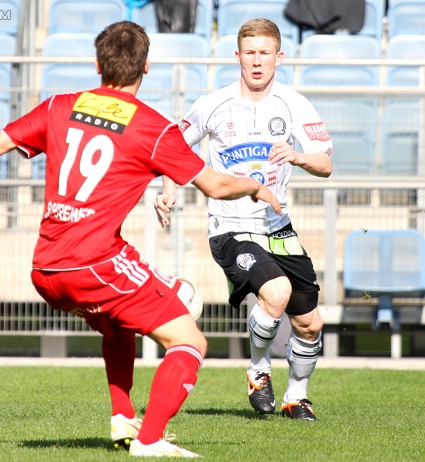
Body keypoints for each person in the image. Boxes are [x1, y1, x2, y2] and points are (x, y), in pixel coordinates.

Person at [0, 21, 280, 458]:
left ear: (97, 64)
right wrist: (255, 187)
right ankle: (149, 441)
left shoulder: (58, 107)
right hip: (94, 265)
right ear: (146, 67)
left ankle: (124, 419)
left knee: (119, 324)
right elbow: (215, 186)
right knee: (190, 341)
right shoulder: (152, 128)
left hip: (46, 269)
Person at [155, 18, 333, 421]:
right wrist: (168, 191)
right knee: (276, 292)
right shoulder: (213, 104)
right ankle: (257, 370)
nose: (257, 61)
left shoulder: (293, 104)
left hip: (277, 227)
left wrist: (299, 156)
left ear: (279, 57)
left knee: (309, 323)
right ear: (237, 56)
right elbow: (171, 146)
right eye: (249, 53)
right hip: (230, 226)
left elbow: (325, 163)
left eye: (264, 53)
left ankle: (296, 397)